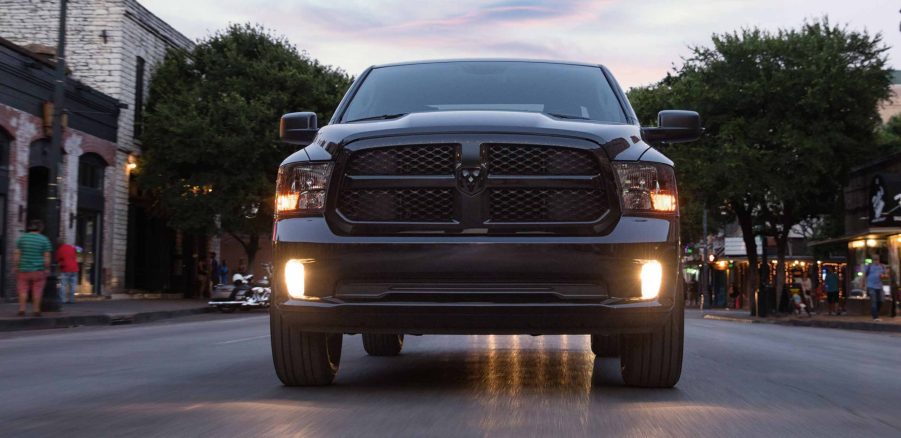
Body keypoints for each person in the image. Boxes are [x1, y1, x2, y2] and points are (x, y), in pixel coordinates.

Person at [14, 220, 52, 317]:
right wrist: (47, 268)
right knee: (37, 290)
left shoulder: (22, 239)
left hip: (24, 269)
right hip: (38, 270)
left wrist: (16, 266)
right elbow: (47, 257)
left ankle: (22, 309)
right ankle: (36, 310)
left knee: (22, 290)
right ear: (40, 228)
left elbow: (17, 254)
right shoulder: (44, 240)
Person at [864, 254, 887, 321]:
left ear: (879, 259)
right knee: (873, 301)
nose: (876, 261)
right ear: (872, 260)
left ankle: (875, 312)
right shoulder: (869, 266)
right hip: (871, 286)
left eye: (877, 259)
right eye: (874, 259)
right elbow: (865, 275)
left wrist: (883, 276)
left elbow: (886, 275)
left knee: (881, 301)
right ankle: (875, 317)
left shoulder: (882, 266)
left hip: (879, 286)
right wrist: (863, 284)